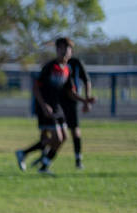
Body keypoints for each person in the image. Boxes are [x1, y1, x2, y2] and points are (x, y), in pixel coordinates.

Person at [14, 38, 95, 174]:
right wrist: (44, 105)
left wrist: (85, 100)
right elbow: (36, 88)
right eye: (60, 49)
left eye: (66, 49)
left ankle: (40, 163)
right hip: (45, 107)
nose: (63, 52)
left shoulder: (66, 70)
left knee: (63, 138)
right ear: (56, 50)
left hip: (57, 107)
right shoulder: (50, 67)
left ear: (71, 51)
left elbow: (70, 93)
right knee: (56, 138)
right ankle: (27, 155)